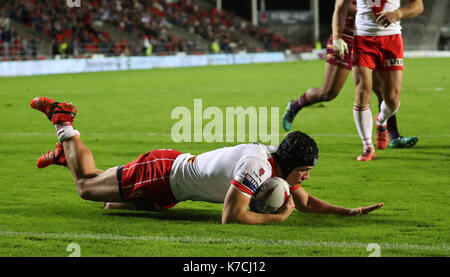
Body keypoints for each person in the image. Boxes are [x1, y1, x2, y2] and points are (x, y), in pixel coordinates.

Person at [30, 97, 384, 225]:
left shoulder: (277, 165)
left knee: (110, 203)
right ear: (290, 163)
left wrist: (347, 212)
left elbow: (302, 201)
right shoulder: (258, 167)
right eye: (304, 170)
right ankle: (64, 121)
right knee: (85, 188)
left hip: (173, 187)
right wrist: (276, 218)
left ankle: (66, 154)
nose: (305, 177)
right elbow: (231, 217)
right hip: (163, 174)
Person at [282, 0, 418, 152]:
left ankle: (393, 135)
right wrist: (370, 10)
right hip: (345, 35)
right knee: (328, 92)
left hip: (372, 35)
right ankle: (295, 106)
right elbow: (341, 7)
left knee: (383, 89)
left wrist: (391, 12)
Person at [333, 0, 423, 161]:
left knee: (392, 99)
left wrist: (397, 14)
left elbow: (418, 6)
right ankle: (367, 147)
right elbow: (340, 7)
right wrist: (337, 36)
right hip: (363, 39)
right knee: (362, 91)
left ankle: (381, 121)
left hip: (391, 39)